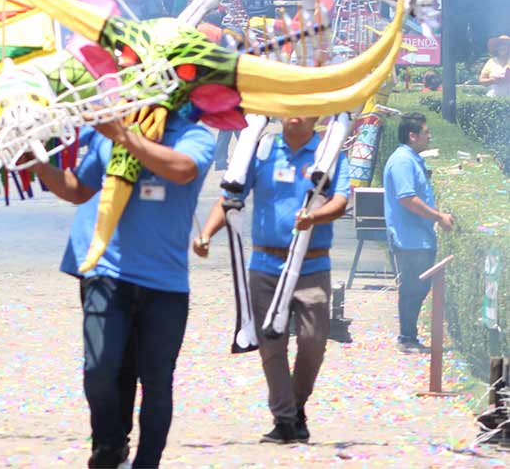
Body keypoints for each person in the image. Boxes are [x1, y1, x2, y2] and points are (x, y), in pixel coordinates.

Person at [33, 110, 215, 469]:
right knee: (99, 369)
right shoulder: (107, 134)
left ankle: (147, 463)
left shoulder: (193, 136)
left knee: (157, 382)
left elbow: (182, 169)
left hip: (166, 285)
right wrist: (35, 163)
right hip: (108, 273)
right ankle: (112, 443)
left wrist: (124, 136)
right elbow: (77, 190)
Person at [195, 117, 350, 444]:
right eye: (288, 106)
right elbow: (230, 199)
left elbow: (340, 201)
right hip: (265, 264)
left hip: (312, 265)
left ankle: (296, 405)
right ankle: (284, 419)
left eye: (302, 107)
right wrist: (206, 234)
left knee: (313, 342)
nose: (294, 114)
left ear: (315, 113)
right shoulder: (261, 150)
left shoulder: (329, 152)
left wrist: (314, 217)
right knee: (271, 346)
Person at [383, 112, 454, 353]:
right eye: (426, 132)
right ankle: (407, 339)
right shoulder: (402, 161)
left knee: (418, 288)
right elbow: (408, 199)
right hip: (410, 237)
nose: (429, 136)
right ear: (412, 135)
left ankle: (409, 337)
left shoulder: (411, 158)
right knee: (413, 288)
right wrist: (438, 217)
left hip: (418, 235)